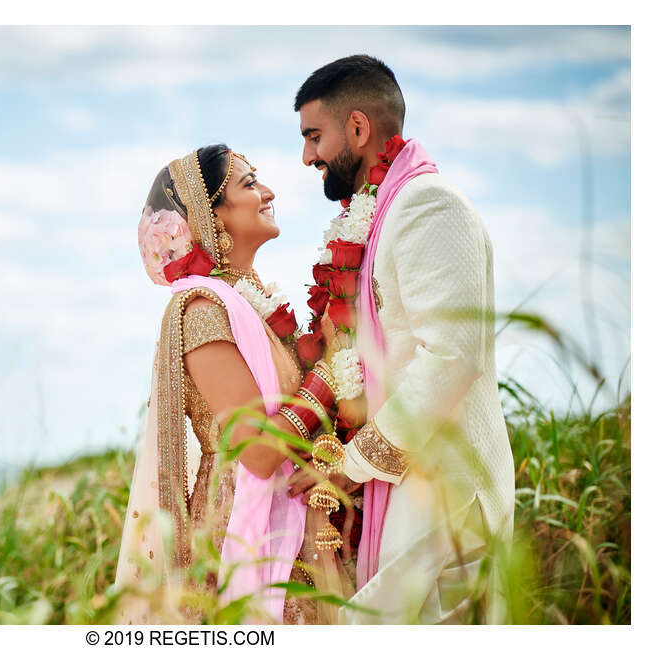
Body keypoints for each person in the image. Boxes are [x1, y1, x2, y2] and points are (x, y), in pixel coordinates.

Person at [291, 54, 516, 623]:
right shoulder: (380, 212)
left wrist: (353, 463)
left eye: (314, 136)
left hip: (446, 498)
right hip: (412, 486)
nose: (307, 156)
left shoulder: (426, 205)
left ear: (359, 128)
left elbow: (451, 355)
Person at [113, 146, 355, 624]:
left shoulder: (252, 307)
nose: (268, 193)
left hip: (294, 519)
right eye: (249, 185)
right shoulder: (203, 312)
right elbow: (260, 454)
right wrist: (328, 371)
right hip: (240, 528)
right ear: (210, 215)